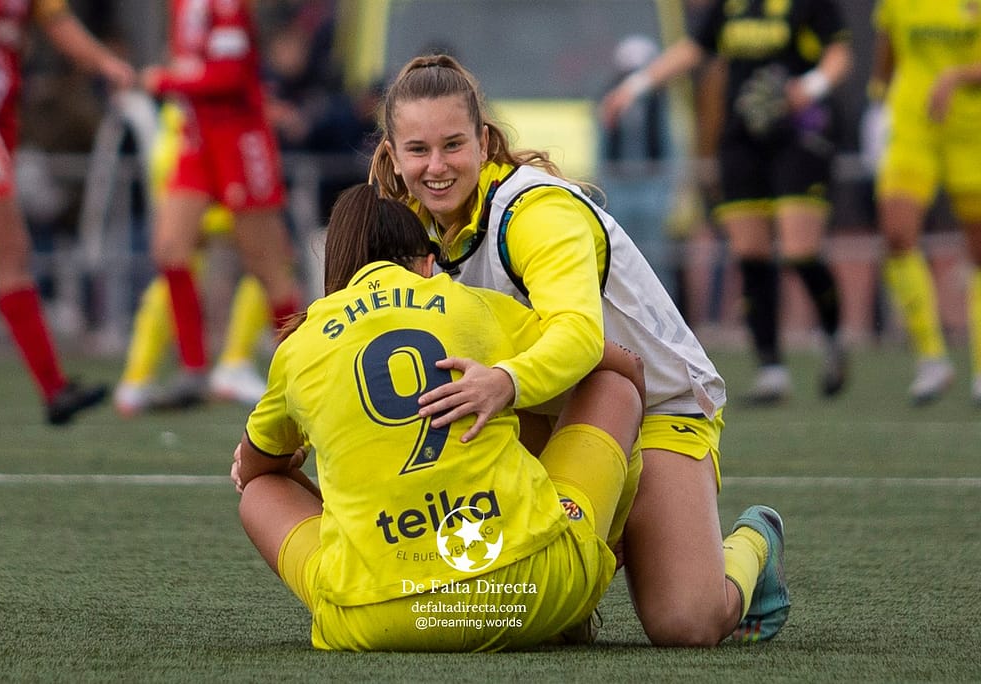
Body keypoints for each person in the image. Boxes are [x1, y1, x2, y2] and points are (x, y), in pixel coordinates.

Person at [369, 54, 788, 646]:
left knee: (687, 624)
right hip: (544, 409)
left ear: (485, 142)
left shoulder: (535, 212)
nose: (435, 167)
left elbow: (578, 338)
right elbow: (352, 336)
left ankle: (753, 545)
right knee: (526, 618)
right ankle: (585, 575)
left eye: (453, 145)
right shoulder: (404, 223)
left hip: (661, 408)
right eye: (417, 150)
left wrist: (504, 382)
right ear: (391, 153)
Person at [233, 183, 645, 651]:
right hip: (532, 589)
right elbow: (622, 363)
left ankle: (377, 575)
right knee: (613, 387)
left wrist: (289, 456)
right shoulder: (473, 305)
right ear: (428, 263)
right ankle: (720, 543)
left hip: (372, 620)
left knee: (261, 492)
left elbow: (252, 470)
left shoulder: (299, 346)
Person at [602, 0, 853, 404]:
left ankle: (833, 338)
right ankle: (771, 368)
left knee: (798, 250)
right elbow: (693, 49)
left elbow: (840, 54)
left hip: (799, 135)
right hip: (742, 138)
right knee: (750, 252)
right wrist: (634, 87)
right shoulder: (732, 5)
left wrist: (809, 87)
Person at [0, 0, 135, 425]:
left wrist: (106, 64)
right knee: (12, 253)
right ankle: (53, 388)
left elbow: (58, 23)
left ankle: (54, 388)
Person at [138, 0, 302, 407]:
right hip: (198, 137)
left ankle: (305, 372)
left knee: (267, 266)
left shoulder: (226, 5)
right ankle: (194, 371)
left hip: (239, 137)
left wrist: (164, 81)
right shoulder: (180, 7)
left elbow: (229, 76)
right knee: (171, 251)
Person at [114, 101, 271, 416]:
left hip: (180, 138)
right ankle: (232, 365)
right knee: (268, 261)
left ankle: (138, 379)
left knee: (178, 266)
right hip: (210, 141)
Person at [867, 1, 981, 405]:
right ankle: (932, 357)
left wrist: (955, 76)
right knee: (897, 234)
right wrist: (876, 103)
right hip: (914, 123)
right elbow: (887, 49)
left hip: (971, 127)